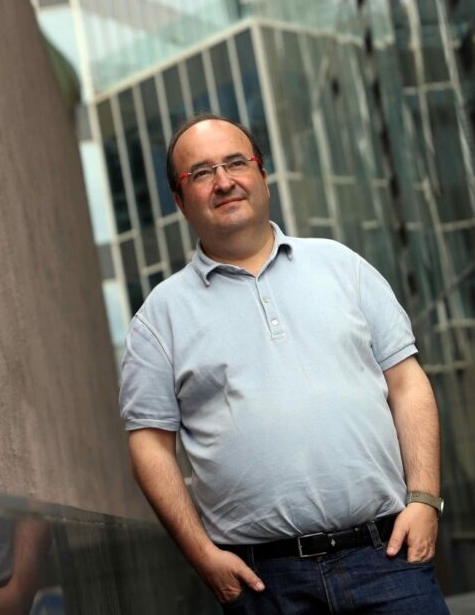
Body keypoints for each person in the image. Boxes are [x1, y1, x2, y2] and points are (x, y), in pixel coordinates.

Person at [119, 113, 450, 614]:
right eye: (201, 172)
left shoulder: (342, 266)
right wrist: (203, 556)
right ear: (180, 201)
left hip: (386, 560)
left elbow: (407, 384)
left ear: (262, 175)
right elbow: (149, 447)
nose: (224, 181)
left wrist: (425, 500)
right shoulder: (158, 319)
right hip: (265, 586)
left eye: (236, 163)